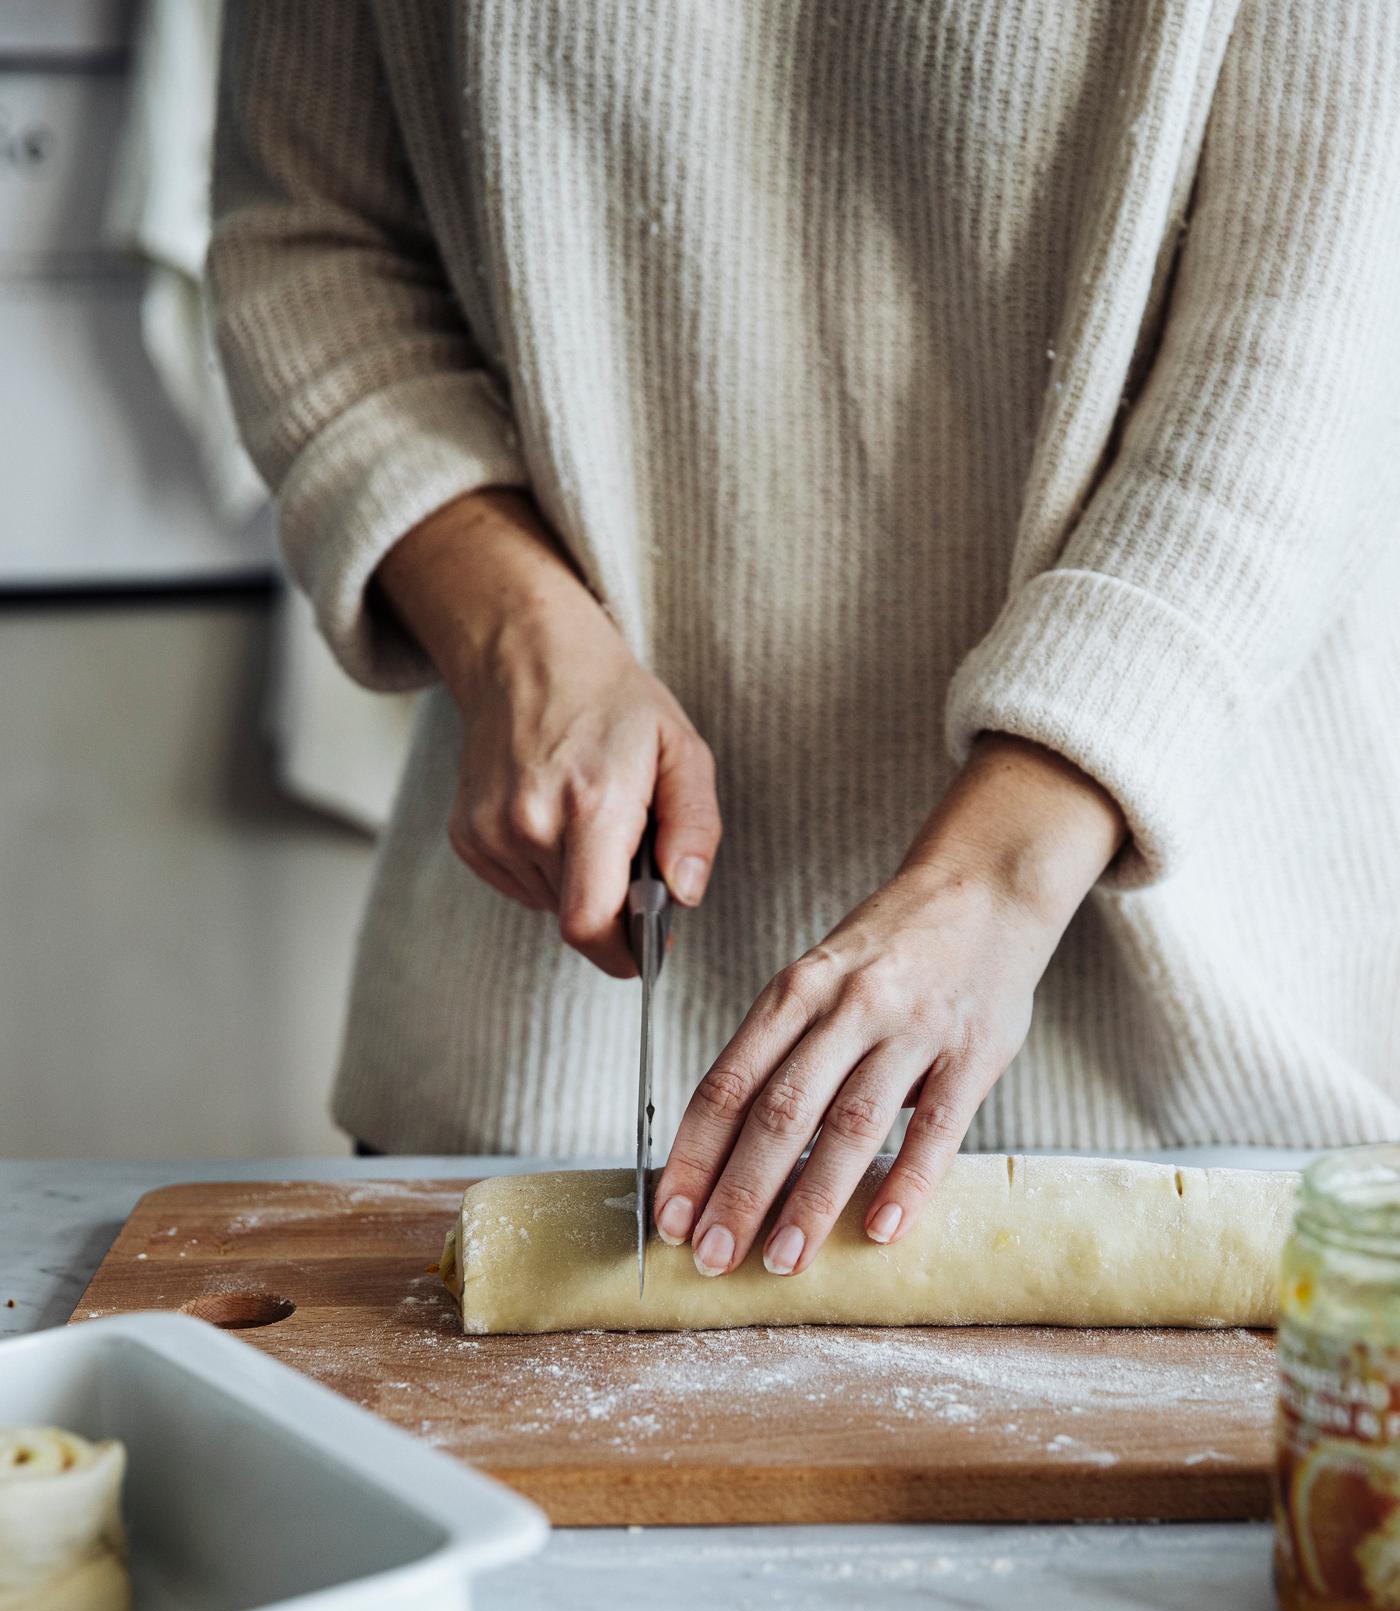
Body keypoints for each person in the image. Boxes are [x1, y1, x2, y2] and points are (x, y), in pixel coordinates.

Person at [210, 1, 1400, 1281]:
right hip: (528, 1056)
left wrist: (1003, 868)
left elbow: (1315, 339)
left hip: (1201, 1066)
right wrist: (515, 627)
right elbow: (308, 239)